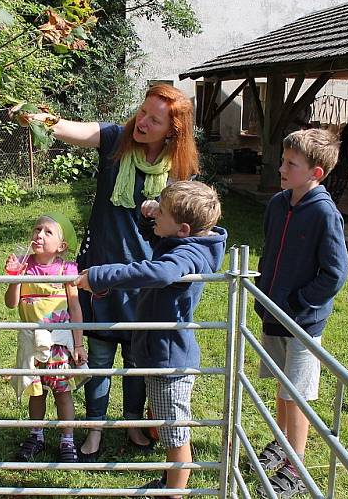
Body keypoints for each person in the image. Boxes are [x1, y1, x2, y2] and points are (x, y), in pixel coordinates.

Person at [13, 84, 200, 461]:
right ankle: (94, 429)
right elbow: (69, 128)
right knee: (97, 358)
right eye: (143, 111)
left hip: (142, 277)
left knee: (135, 361)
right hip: (97, 276)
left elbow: (188, 226)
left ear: (173, 130)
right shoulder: (116, 140)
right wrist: (38, 118)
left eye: (155, 119)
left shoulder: (182, 171)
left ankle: (132, 425)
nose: (143, 121)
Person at [74, 180, 227, 498]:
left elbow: (160, 272)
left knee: (175, 434)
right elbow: (160, 239)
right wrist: (151, 217)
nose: (157, 211)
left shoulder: (186, 255)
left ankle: (173, 493)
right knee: (168, 426)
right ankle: (170, 482)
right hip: (159, 353)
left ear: (183, 229)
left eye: (163, 211)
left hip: (168, 361)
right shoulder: (186, 243)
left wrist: (102, 275)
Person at [253, 129, 348, 498]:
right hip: (273, 312)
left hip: (302, 321)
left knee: (297, 393)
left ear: (316, 173)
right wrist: (265, 294)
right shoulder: (278, 204)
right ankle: (282, 443)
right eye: (283, 160)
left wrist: (298, 302)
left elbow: (335, 273)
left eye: (290, 164)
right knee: (283, 385)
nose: (281, 167)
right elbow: (269, 249)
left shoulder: (325, 214)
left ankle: (295, 465)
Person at [5, 213, 87, 463]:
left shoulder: (67, 270)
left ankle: (67, 439)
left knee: (63, 393)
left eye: (47, 232)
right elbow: (11, 304)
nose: (39, 235)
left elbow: (75, 309)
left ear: (61, 246)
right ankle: (36, 435)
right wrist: (14, 278)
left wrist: (79, 344)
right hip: (31, 343)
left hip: (59, 345)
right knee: (36, 392)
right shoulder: (23, 265)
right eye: (37, 229)